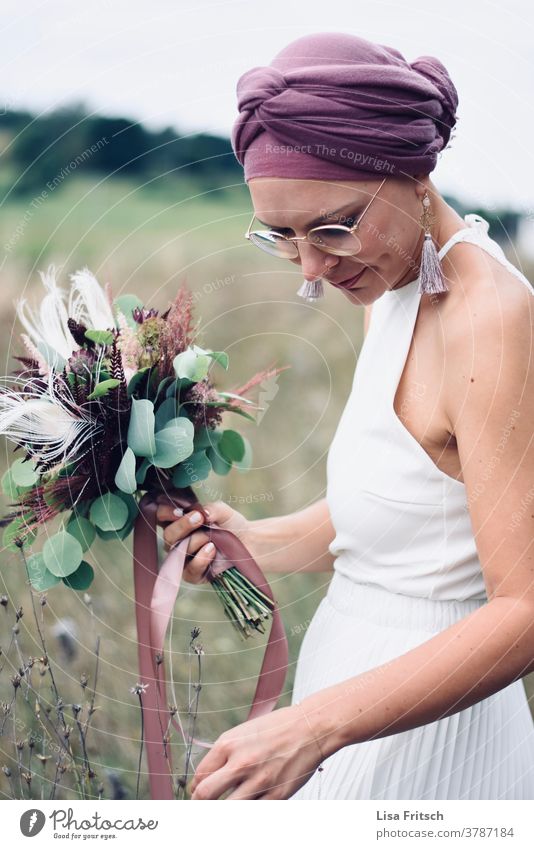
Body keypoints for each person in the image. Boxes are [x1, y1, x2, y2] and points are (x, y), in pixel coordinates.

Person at [156, 32, 534, 800]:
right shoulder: (391, 282)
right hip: (347, 678)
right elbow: (402, 516)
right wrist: (250, 540)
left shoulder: (490, 319)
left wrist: (315, 726)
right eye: (281, 236)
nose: (311, 269)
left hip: (430, 734)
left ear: (413, 172)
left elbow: (524, 608)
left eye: (332, 226)